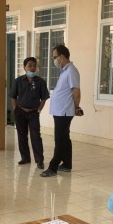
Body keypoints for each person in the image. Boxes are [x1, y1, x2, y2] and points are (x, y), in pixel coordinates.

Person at [41, 44, 82, 177]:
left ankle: (53, 167)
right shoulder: (65, 70)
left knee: (60, 139)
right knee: (65, 138)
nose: (54, 60)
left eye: (55, 57)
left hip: (64, 111)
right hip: (60, 111)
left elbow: (76, 91)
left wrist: (76, 107)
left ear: (62, 56)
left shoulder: (71, 71)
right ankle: (67, 164)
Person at [10, 57, 50, 170]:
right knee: (22, 135)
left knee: (36, 136)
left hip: (34, 113)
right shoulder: (18, 81)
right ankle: (25, 157)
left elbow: (44, 98)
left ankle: (39, 160)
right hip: (20, 112)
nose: (32, 68)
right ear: (24, 67)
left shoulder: (40, 82)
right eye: (30, 66)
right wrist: (15, 109)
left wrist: (39, 110)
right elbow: (13, 97)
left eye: (34, 66)